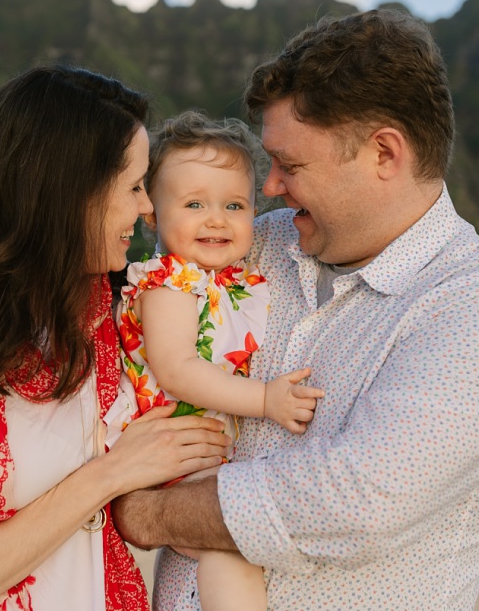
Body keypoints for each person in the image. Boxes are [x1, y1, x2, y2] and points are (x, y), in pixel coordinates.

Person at [112, 9, 479, 610]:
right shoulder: (254, 242)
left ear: (384, 154)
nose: (268, 188)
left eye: (291, 165)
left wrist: (148, 510)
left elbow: (355, 501)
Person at [0, 66, 231, 611]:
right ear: (70, 194)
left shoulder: (121, 313)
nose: (146, 208)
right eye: (132, 186)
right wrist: (109, 474)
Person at [103, 111, 325, 611]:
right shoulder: (168, 284)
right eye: (194, 203)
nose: (217, 219)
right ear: (153, 215)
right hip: (168, 454)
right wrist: (265, 400)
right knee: (234, 549)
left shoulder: (228, 280)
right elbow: (178, 369)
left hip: (195, 451)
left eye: (235, 205)